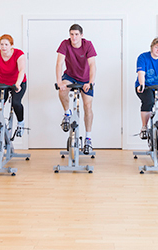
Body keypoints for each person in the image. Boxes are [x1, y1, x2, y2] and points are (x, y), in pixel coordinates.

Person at [56, 24, 97, 154]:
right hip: (70, 76)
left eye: (76, 34)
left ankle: (88, 138)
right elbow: (59, 63)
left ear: (81, 35)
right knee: (62, 90)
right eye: (72, 34)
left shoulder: (88, 45)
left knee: (87, 106)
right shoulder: (65, 44)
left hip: (85, 78)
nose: (74, 37)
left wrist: (90, 82)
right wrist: (59, 82)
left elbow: (92, 64)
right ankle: (67, 113)